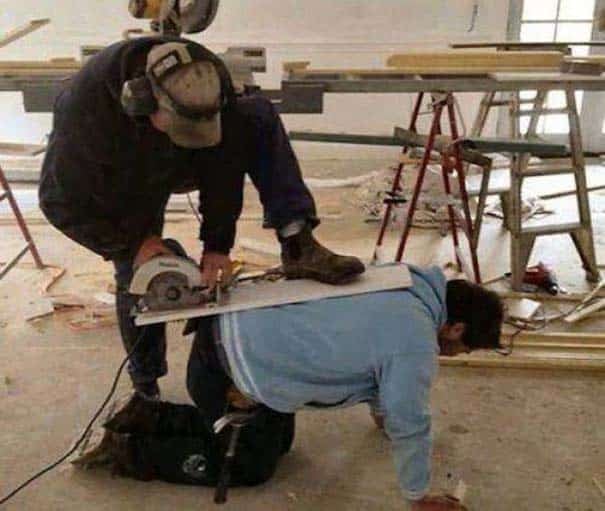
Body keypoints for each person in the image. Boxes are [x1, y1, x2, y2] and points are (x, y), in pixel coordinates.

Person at [38, 37, 364, 398]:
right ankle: (145, 384)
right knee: (141, 275)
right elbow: (58, 202)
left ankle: (297, 242)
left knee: (257, 115)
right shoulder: (86, 113)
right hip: (126, 168)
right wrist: (134, 244)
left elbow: (224, 167)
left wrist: (217, 245)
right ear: (143, 102)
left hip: (186, 154)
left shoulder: (210, 80)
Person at [81, 265, 501, 510]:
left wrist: (381, 409)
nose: (451, 355)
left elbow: (377, 359)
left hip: (228, 332)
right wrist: (417, 495)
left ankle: (147, 414)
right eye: (460, 348)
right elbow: (411, 420)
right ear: (455, 327)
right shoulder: (416, 339)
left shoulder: (404, 280)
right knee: (252, 466)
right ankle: (128, 451)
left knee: (280, 442)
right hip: (227, 372)